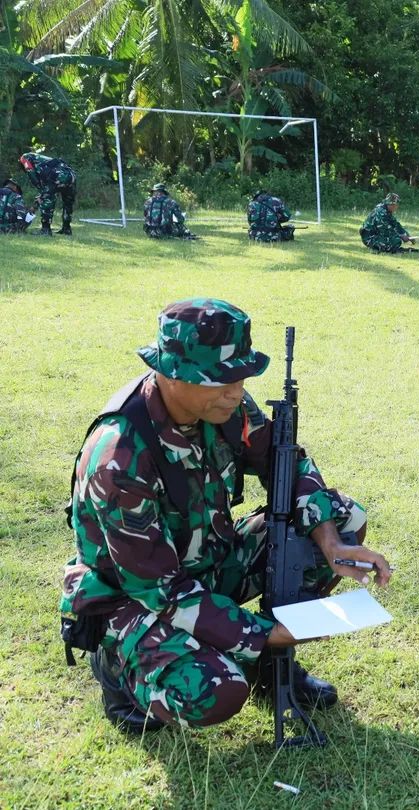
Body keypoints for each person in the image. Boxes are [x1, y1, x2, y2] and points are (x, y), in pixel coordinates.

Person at [60, 298, 392, 734]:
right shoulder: (120, 456)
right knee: (214, 690)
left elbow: (285, 465)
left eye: (241, 377)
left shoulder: (224, 404)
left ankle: (273, 669)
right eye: (219, 380)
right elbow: (163, 591)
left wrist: (331, 542)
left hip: (206, 560)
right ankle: (117, 666)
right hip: (133, 598)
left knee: (342, 518)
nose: (236, 392)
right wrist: (265, 633)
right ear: (170, 373)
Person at [19, 151, 76, 236]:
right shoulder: (41, 160)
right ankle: (66, 229)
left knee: (47, 200)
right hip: (71, 174)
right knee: (68, 203)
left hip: (57, 175)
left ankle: (46, 230)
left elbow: (32, 174)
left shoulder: (24, 158)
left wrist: (40, 196)